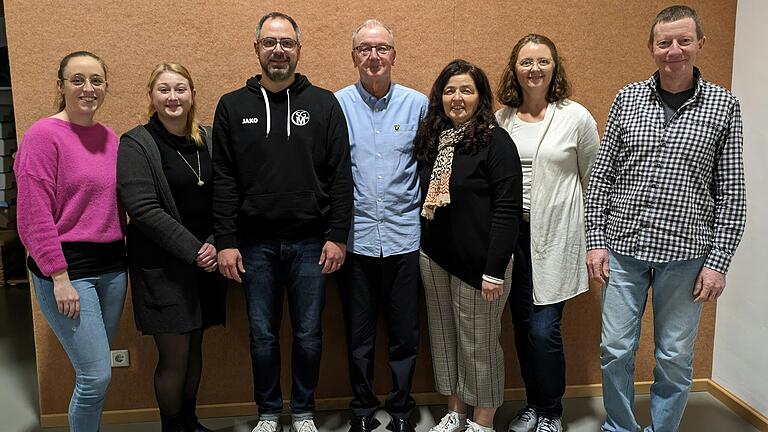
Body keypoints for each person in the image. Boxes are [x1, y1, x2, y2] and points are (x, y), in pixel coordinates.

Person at [585, 5, 746, 432]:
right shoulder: (628, 97)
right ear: (652, 47)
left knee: (674, 357)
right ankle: (619, 426)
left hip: (688, 254)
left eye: (684, 41)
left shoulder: (724, 106)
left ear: (699, 44)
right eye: (664, 42)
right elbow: (602, 176)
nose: (674, 50)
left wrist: (718, 262)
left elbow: (732, 193)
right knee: (615, 349)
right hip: (624, 248)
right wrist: (595, 240)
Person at [212, 11, 353, 432]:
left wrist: (338, 236)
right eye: (270, 42)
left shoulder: (324, 103)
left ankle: (305, 411)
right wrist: (226, 241)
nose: (279, 50)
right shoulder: (231, 106)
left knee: (309, 334)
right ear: (256, 48)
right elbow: (223, 180)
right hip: (253, 246)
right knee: (262, 336)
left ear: (298, 49)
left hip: (312, 243)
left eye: (286, 43)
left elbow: (341, 174)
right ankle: (270, 412)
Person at [15, 51, 127, 432]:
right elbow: (32, 215)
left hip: (113, 268)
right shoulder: (43, 136)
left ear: (106, 87)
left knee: (98, 374)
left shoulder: (109, 137)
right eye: (77, 79)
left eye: (96, 80)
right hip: (67, 271)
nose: (88, 88)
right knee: (95, 377)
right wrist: (59, 276)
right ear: (60, 85)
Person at [495, 34, 600, 432]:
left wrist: (596, 241)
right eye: (526, 62)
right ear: (515, 68)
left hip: (556, 237)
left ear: (554, 67)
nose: (534, 69)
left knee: (543, 328)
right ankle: (533, 406)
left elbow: (595, 181)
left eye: (542, 61)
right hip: (511, 239)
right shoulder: (502, 119)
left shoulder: (575, 117)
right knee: (521, 327)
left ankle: (552, 411)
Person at [117, 63, 227, 432]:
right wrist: (196, 250)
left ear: (193, 94)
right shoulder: (135, 143)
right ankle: (172, 427)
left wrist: (214, 243)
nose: (173, 97)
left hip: (207, 264)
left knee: (196, 347)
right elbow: (143, 208)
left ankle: (190, 422)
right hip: (163, 268)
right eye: (164, 89)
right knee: (174, 355)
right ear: (151, 96)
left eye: (180, 89)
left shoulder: (210, 139)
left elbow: (227, 196)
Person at [415, 59, 522, 432]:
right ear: (439, 97)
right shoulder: (434, 137)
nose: (456, 98)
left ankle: (483, 420)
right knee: (445, 341)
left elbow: (508, 209)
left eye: (466, 90)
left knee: (479, 345)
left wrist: (495, 269)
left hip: (481, 266)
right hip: (435, 258)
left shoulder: (496, 141)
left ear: (480, 97)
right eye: (449, 90)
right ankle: (455, 412)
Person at [335, 19, 428, 432]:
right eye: (365, 49)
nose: (374, 56)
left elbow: (431, 170)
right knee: (358, 338)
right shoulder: (334, 106)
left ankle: (403, 410)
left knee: (405, 335)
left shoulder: (419, 105)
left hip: (405, 238)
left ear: (394, 54)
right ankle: (361, 411)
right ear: (353, 55)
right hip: (354, 243)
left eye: (382, 48)